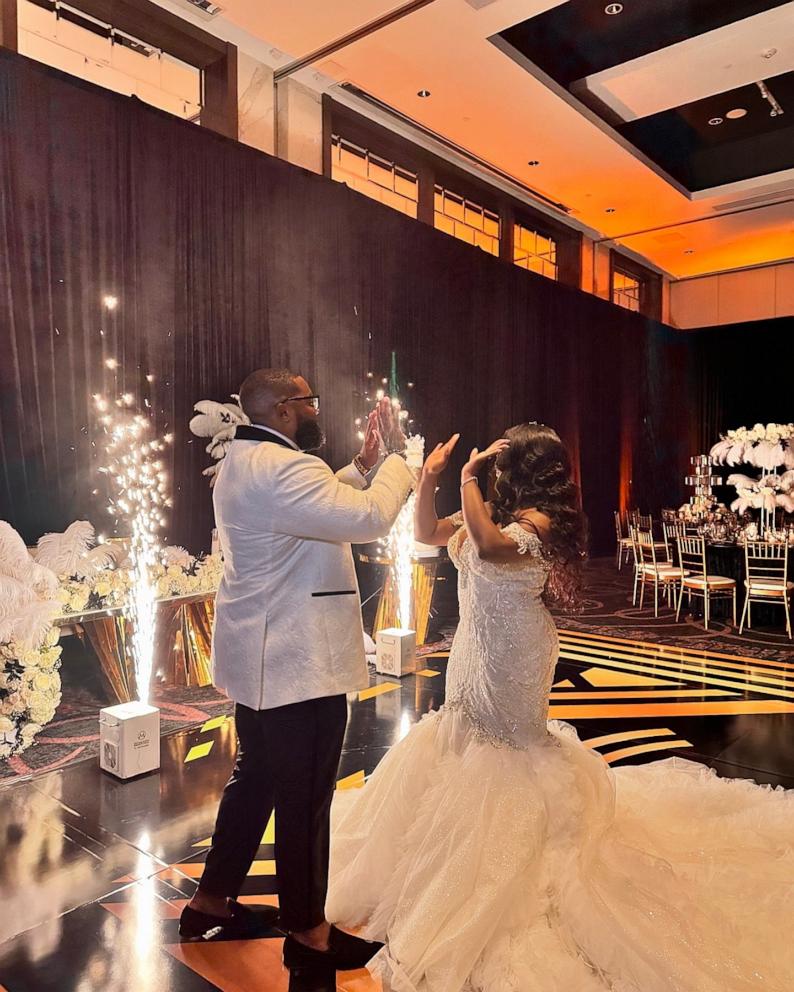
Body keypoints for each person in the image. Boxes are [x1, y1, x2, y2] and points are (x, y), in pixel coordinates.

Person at [327, 422, 794, 992]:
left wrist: (469, 480)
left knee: (508, 751)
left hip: (518, 651)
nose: (491, 466)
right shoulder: (493, 512)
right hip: (474, 649)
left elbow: (493, 551)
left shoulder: (535, 524)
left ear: (520, 469)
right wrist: (430, 479)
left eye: (501, 461)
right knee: (464, 736)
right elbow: (426, 531)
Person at [180, 368, 415, 980]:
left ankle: (211, 900)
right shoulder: (286, 469)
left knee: (255, 778)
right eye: (311, 401)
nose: (318, 411)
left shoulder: (247, 459)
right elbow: (365, 519)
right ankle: (308, 933)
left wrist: (360, 468)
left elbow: (315, 508)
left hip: (263, 658)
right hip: (297, 661)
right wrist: (394, 462)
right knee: (305, 797)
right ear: (286, 410)